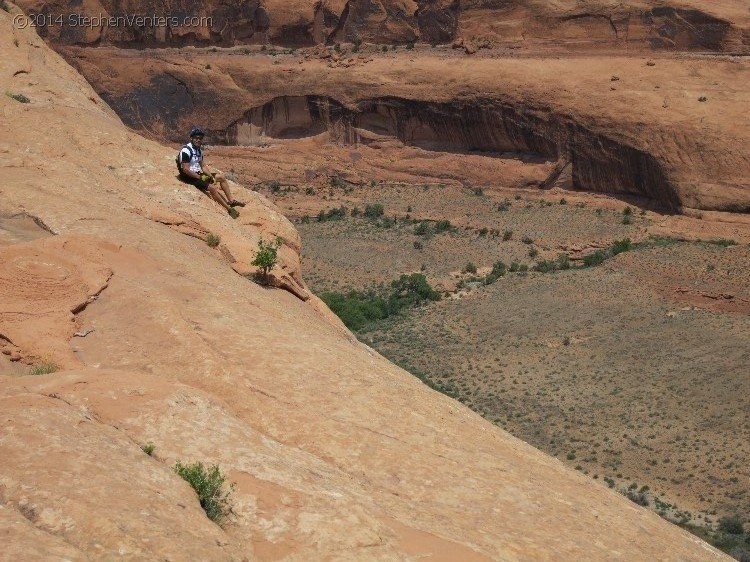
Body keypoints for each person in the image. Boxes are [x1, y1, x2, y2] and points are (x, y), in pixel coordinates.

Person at [178, 127, 245, 218]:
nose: (198, 140)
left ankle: (231, 201)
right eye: (196, 138)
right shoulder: (186, 151)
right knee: (212, 188)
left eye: (200, 138)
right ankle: (229, 210)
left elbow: (203, 166)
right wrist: (200, 177)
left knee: (221, 177)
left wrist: (210, 176)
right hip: (188, 177)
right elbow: (185, 169)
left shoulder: (198, 150)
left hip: (197, 173)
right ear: (191, 138)